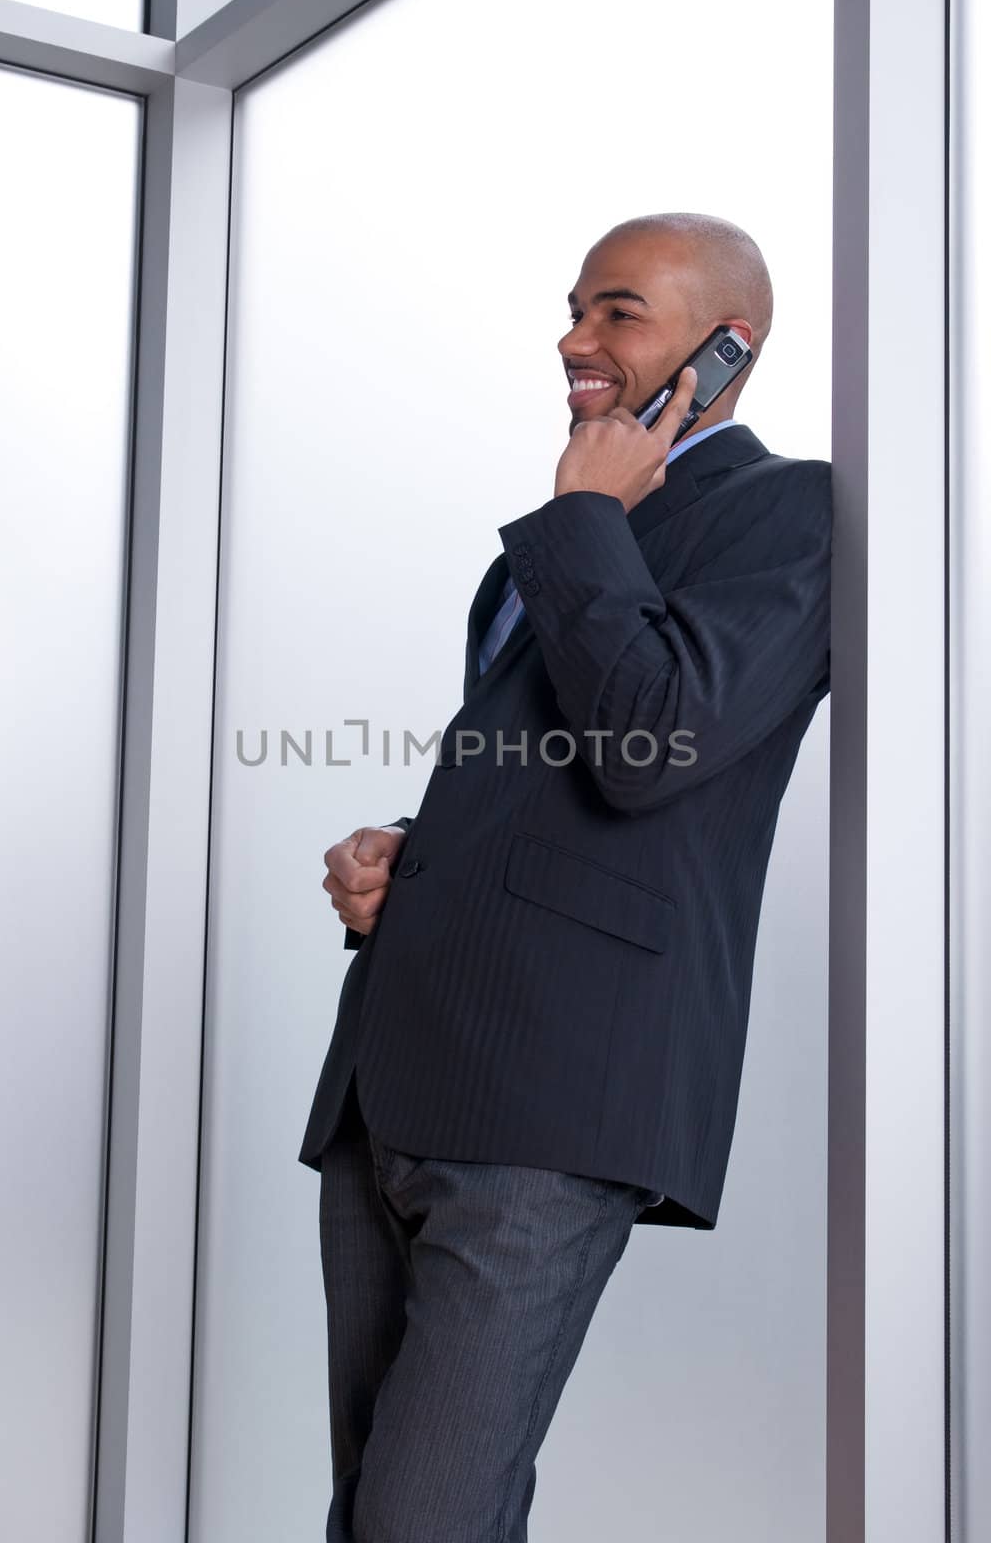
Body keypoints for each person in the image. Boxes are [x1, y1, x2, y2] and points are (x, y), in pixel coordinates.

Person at [297, 212, 833, 1542]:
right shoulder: (542, 549)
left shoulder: (793, 511)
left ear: (726, 347)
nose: (574, 342)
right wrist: (411, 863)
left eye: (617, 312)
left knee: (425, 1514)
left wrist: (588, 509)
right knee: (377, 1506)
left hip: (547, 1101)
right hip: (397, 1077)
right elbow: (562, 782)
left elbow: (663, 740)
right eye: (574, 311)